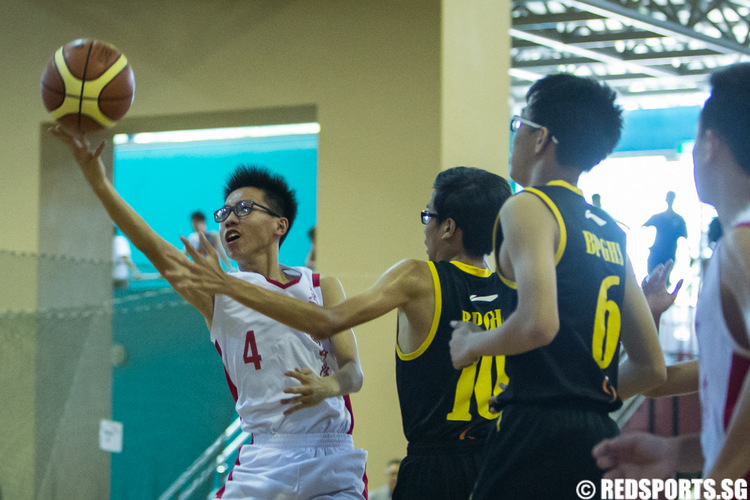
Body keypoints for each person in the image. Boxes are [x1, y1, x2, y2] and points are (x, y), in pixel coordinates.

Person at [50, 126, 368, 500]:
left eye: (244, 209)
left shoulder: (320, 286)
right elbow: (159, 253)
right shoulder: (218, 290)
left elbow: (353, 373)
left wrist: (326, 386)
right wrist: (100, 185)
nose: (229, 219)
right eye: (225, 212)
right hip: (266, 456)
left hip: (329, 456)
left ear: (280, 225)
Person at [166, 166, 515, 499]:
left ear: (449, 228)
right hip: (500, 458)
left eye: (428, 218)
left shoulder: (417, 278)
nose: (425, 229)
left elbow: (327, 322)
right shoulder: (514, 290)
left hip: (436, 464)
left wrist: (227, 285)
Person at [449, 73, 667, 500]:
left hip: (537, 434)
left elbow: (539, 323)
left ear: (540, 137)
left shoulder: (529, 205)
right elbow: (651, 368)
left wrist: (473, 344)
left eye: (519, 124)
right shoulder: (610, 230)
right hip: (600, 434)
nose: (514, 136)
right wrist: (574, 393)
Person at [593, 63, 750, 486]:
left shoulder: (741, 246)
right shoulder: (733, 246)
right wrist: (675, 452)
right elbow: (662, 382)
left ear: (710, 143)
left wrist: (715, 484)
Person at [644, 190, 688, 276]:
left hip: (669, 255)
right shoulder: (658, 217)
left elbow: (685, 239)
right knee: (652, 277)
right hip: (656, 253)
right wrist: (647, 244)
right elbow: (643, 227)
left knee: (663, 279)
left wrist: (689, 258)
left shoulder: (678, 219)